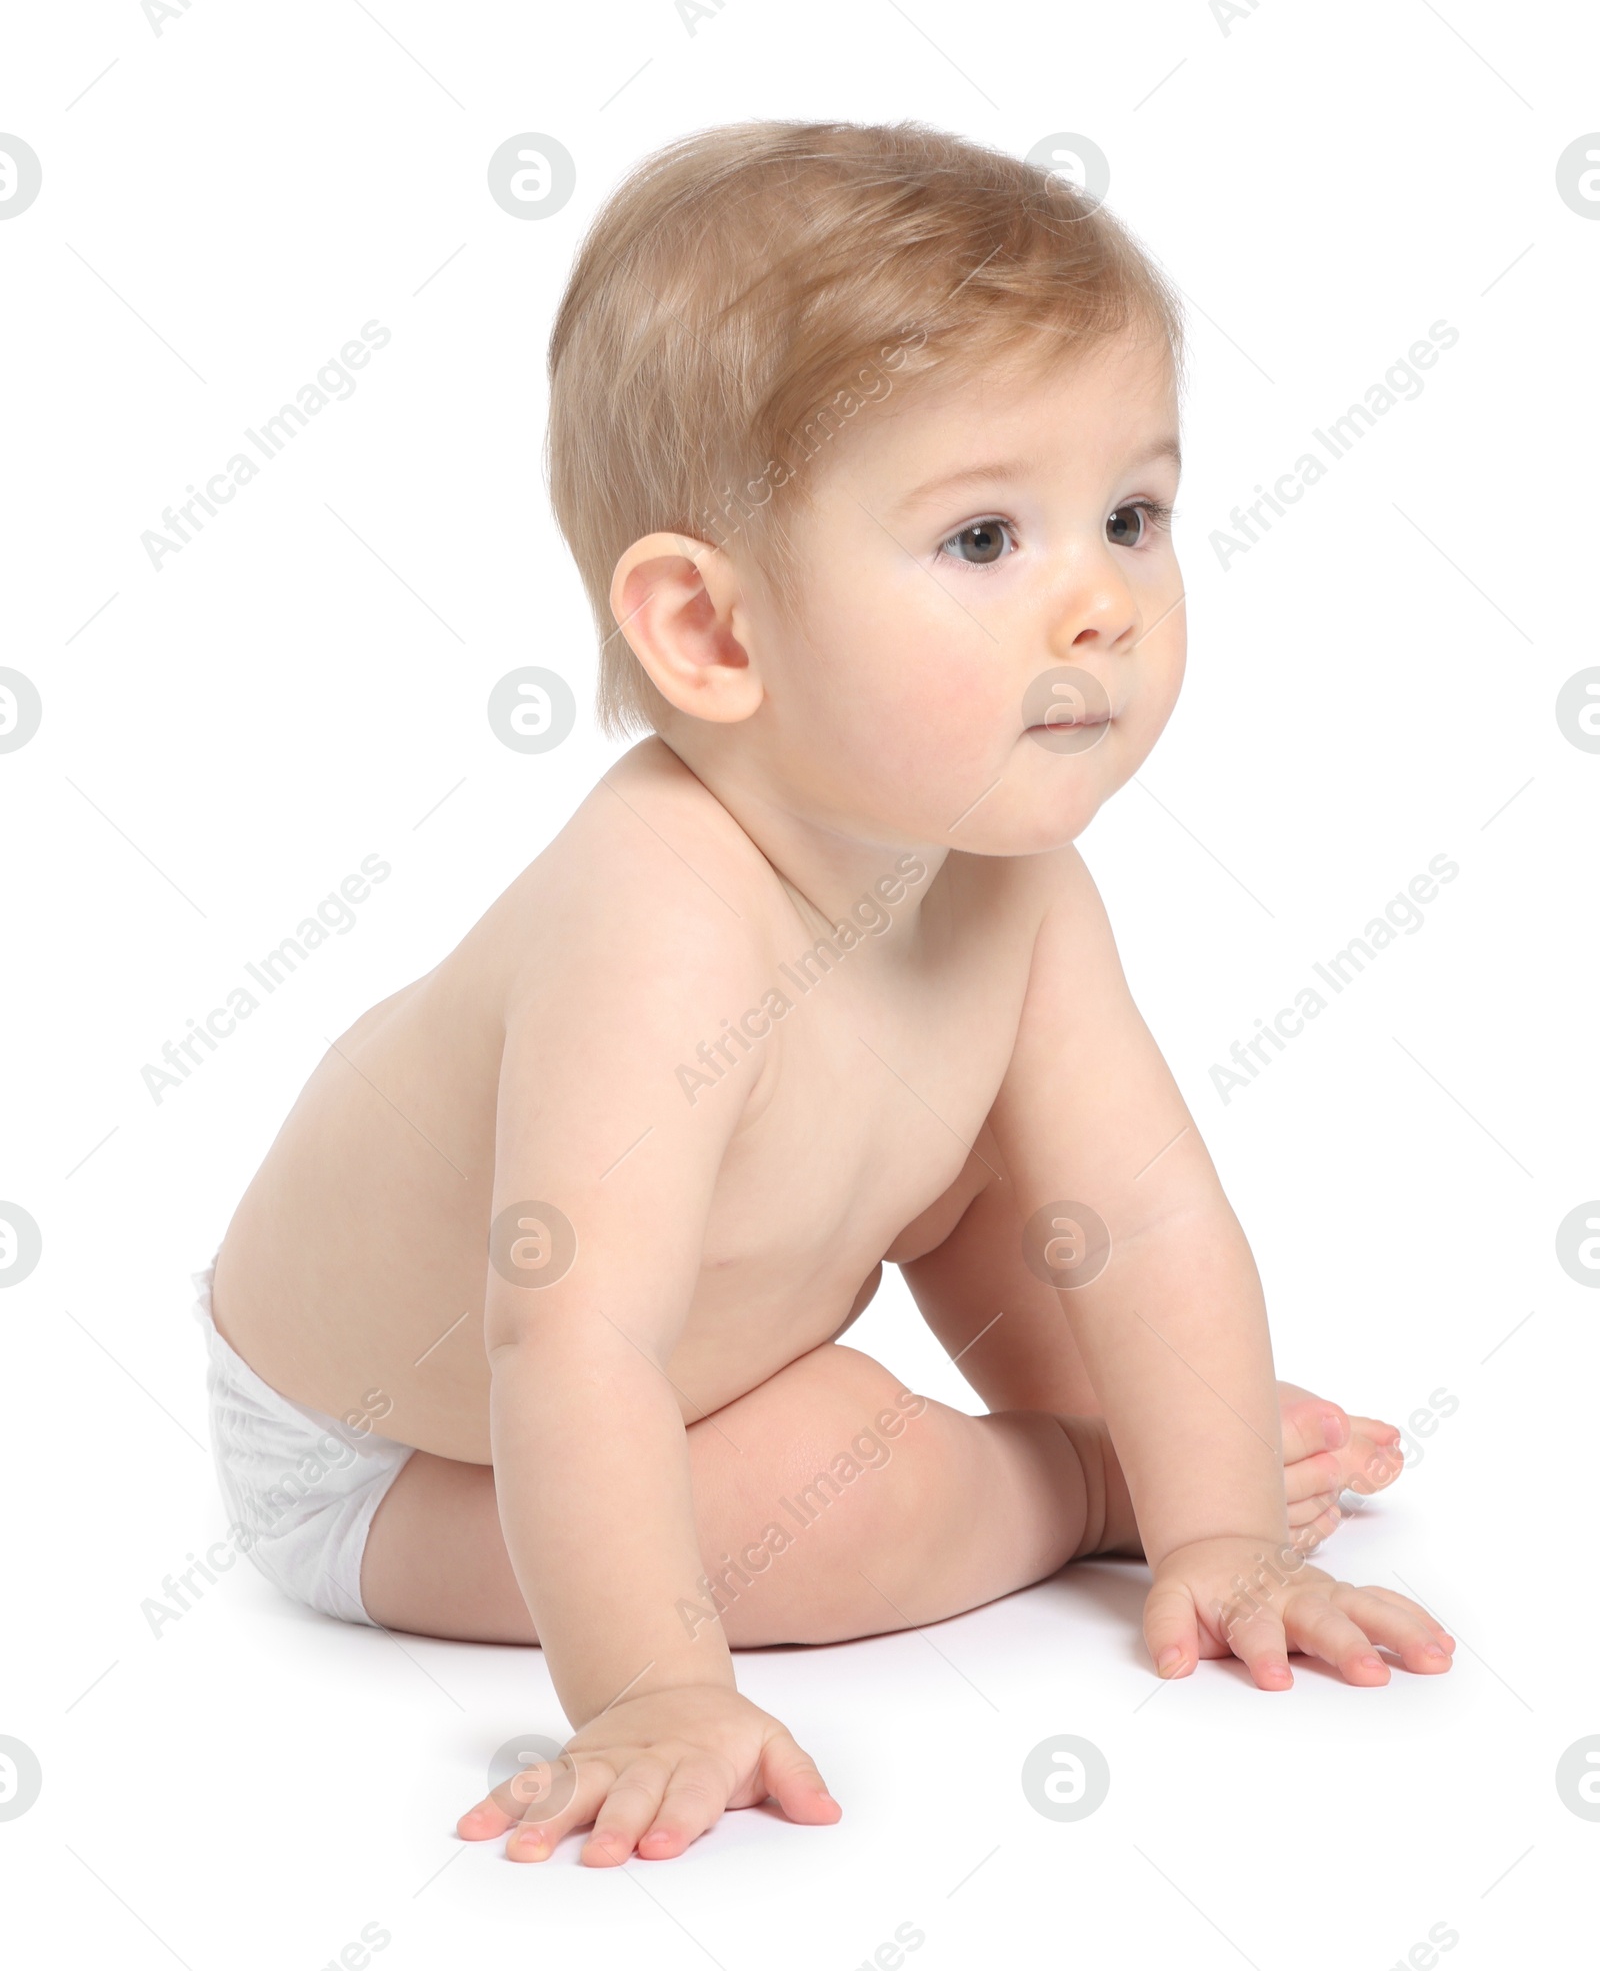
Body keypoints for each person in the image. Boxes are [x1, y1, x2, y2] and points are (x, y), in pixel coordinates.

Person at [195, 118, 1451, 1871]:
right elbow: (572, 1339)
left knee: (1043, 1188)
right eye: (984, 536)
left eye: (1132, 515)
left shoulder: (1014, 882)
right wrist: (646, 1694)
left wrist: (1230, 1524)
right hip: (400, 1454)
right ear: (712, 634)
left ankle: (1157, 1478)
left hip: (687, 1338)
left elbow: (1151, 1211)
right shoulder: (656, 909)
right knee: (836, 1485)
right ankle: (1073, 1479)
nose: (1098, 600)